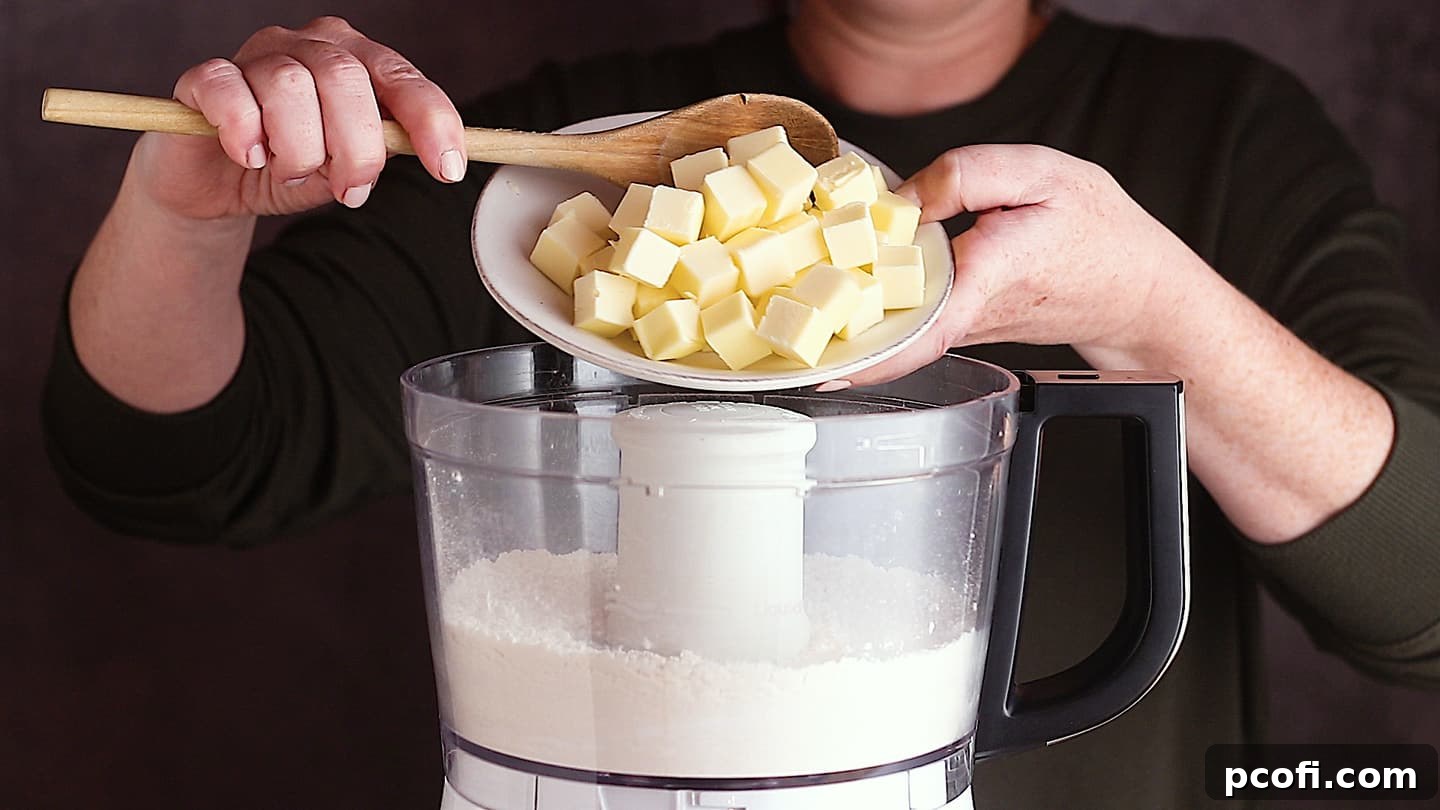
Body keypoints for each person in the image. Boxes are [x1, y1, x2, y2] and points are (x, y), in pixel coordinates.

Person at [42, 0, 1440, 806]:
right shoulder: (576, 154)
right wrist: (186, 215)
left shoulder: (1225, 134)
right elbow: (179, 457)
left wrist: (1156, 312)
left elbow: (1424, 593)